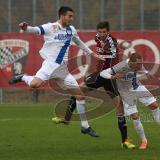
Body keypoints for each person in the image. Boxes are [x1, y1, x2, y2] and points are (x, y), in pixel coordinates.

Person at [8, 6, 103, 137]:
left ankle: (85, 127)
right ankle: (23, 77)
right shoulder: (50, 27)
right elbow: (35, 30)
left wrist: (92, 53)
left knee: (80, 96)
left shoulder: (71, 30)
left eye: (72, 16)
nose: (71, 18)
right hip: (50, 65)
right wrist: (25, 27)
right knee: (34, 85)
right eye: (69, 16)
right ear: (62, 16)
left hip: (63, 70)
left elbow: (79, 42)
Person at [52, 21, 135, 149]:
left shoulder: (112, 42)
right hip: (98, 75)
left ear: (108, 32)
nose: (101, 34)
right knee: (78, 92)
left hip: (109, 76)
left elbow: (114, 59)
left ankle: (125, 141)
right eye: (100, 32)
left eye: (104, 32)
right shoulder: (96, 38)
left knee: (120, 108)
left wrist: (114, 70)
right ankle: (66, 117)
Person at [100, 53, 160, 149]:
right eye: (138, 64)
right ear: (131, 62)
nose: (140, 65)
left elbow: (142, 69)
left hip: (137, 87)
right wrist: (111, 77)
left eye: (141, 63)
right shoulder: (120, 66)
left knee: (154, 105)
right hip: (126, 93)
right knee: (135, 116)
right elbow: (103, 73)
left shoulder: (138, 64)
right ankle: (144, 141)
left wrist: (147, 73)